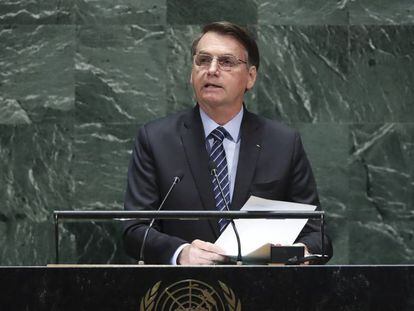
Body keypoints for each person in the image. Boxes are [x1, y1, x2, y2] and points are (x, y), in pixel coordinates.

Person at [123, 21, 333, 265]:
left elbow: (318, 233)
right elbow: (134, 230)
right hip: (186, 291)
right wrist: (181, 253)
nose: (211, 70)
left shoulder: (283, 143)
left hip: (263, 292)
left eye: (226, 62)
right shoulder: (156, 139)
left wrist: (298, 252)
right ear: (192, 73)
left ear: (250, 77)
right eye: (203, 60)